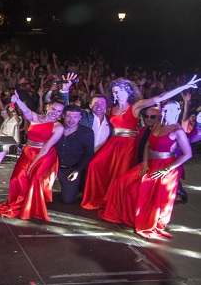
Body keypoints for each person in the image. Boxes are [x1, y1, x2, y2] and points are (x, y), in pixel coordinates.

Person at [81, 76, 200, 210]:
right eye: (114, 91)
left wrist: (183, 87)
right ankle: (99, 198)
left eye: (119, 90)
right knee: (94, 165)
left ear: (128, 91)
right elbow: (95, 110)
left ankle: (115, 204)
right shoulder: (111, 108)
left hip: (127, 145)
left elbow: (160, 97)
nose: (116, 93)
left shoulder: (136, 106)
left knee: (120, 175)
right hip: (112, 142)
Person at [99, 100, 193, 239]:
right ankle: (126, 216)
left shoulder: (177, 130)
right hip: (150, 162)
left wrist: (167, 169)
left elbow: (188, 154)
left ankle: (146, 221)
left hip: (166, 166)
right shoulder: (157, 125)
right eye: (165, 110)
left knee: (142, 190)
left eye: (171, 110)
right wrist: (144, 162)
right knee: (122, 181)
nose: (167, 113)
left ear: (178, 112)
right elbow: (148, 145)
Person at [0, 91, 65, 221]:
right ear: (47, 107)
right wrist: (18, 100)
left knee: (34, 178)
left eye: (59, 112)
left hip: (44, 155)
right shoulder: (36, 118)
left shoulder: (58, 127)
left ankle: (30, 208)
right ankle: (16, 203)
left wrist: (33, 164)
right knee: (16, 178)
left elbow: (46, 147)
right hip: (28, 152)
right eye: (54, 109)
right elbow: (26, 111)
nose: (55, 112)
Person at [54, 105, 94, 204]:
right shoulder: (56, 127)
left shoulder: (87, 133)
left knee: (67, 200)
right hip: (53, 166)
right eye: (69, 116)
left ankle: (73, 189)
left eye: (75, 117)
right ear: (63, 116)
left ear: (80, 117)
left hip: (71, 170)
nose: (72, 120)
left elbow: (88, 154)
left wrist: (78, 170)